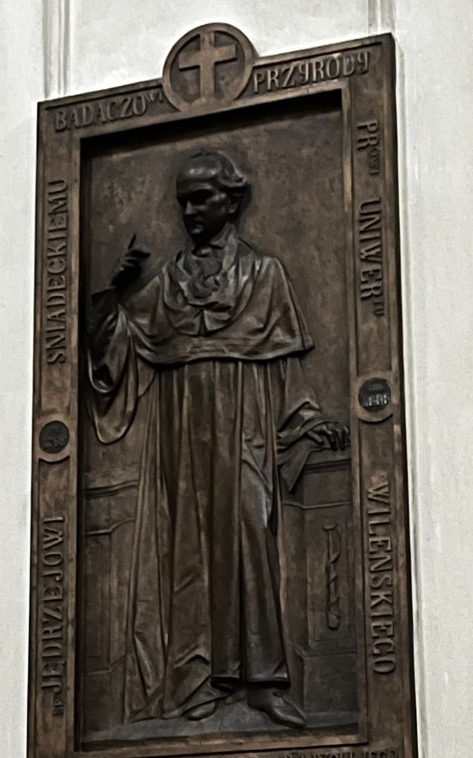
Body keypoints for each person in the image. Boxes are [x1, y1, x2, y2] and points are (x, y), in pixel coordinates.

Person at [87, 148, 348, 728]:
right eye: (182, 202)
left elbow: (286, 367)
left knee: (251, 538)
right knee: (187, 549)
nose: (189, 212)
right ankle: (195, 681)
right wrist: (113, 292)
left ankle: (264, 681)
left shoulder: (264, 274)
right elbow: (116, 349)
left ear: (230, 202)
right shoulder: (168, 283)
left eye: (200, 199)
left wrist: (305, 421)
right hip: (182, 434)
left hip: (246, 427)